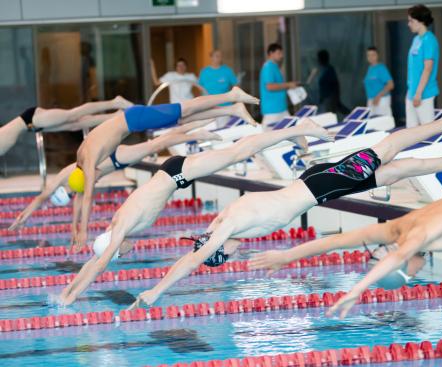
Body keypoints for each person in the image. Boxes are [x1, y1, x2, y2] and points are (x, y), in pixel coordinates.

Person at [128, 110, 442, 308]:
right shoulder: (228, 225)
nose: (233, 254)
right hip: (315, 186)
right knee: (392, 172)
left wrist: (157, 291)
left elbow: (192, 259)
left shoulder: (228, 227)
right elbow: (196, 249)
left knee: (386, 151)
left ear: (218, 246)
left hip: (319, 185)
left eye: (223, 255)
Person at [58, 118, 334, 305]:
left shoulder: (119, 230)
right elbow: (92, 263)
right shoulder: (116, 227)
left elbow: (100, 264)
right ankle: (294, 133)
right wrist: (65, 292)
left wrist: (71, 298)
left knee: (238, 152)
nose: (127, 253)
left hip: (177, 174)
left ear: (114, 247)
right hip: (173, 174)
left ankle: (297, 129)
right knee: (236, 152)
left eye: (120, 253)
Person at [251, 163, 442, 318]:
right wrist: (287, 257)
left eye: (408, 273)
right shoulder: (394, 230)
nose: (415, 274)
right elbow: (337, 242)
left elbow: (395, 257)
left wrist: (357, 290)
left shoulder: (418, 235)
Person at [71, 87, 259, 249]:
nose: (98, 178)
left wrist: (83, 231)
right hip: (134, 119)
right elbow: (80, 195)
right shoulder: (82, 156)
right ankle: (233, 109)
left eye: (94, 179)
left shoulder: (89, 163)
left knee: (186, 108)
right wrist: (74, 226)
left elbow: (87, 196)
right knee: (183, 118)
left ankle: (231, 96)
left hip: (135, 119)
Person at [8, 121, 221, 231]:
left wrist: (24, 215)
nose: (74, 196)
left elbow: (44, 197)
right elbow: (77, 203)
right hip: (117, 159)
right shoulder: (73, 183)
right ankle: (197, 130)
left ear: (66, 190)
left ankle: (198, 133)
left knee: (159, 143)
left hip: (117, 157)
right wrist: (74, 226)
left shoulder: (68, 176)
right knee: (158, 142)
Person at [0, 96, 132, 157]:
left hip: (31, 119)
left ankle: (115, 102)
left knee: (73, 115)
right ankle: (115, 116)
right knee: (75, 125)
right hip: (31, 126)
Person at [406, 4, 440, 128]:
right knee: (411, 132)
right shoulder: (416, 40)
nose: (408, 24)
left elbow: (428, 68)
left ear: (420, 22)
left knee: (427, 132)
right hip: (411, 93)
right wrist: (413, 92)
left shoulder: (430, 40)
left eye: (411, 21)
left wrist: (419, 93)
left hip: (423, 94)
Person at [259, 43, 299, 126]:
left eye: (281, 53)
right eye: (279, 53)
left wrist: (290, 85)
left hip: (281, 108)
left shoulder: (275, 66)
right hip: (272, 110)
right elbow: (270, 86)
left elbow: (278, 85)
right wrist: (288, 85)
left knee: (291, 133)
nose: (281, 56)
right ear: (271, 53)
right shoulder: (268, 67)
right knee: (269, 136)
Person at [199, 50, 240, 127]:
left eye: (220, 56)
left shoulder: (227, 70)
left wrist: (234, 98)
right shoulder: (204, 72)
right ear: (211, 57)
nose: (219, 58)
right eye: (217, 56)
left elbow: (236, 86)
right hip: (209, 107)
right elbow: (201, 89)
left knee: (223, 131)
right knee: (210, 131)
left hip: (225, 106)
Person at [316, 50, 349, 118]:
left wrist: (336, 99)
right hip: (325, 99)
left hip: (329, 99)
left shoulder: (329, 70)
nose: (318, 61)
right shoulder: (323, 70)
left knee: (328, 117)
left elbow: (335, 85)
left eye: (319, 58)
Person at [364, 46, 394, 117]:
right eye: (368, 55)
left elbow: (391, 85)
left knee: (383, 124)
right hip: (371, 101)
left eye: (373, 55)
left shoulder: (381, 68)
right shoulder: (370, 69)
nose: (371, 57)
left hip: (381, 100)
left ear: (377, 56)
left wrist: (378, 96)